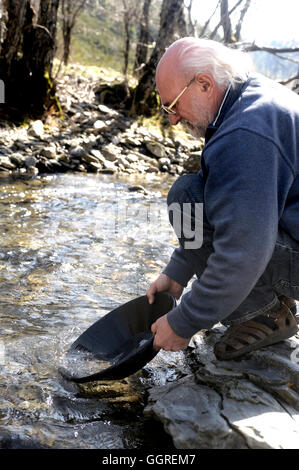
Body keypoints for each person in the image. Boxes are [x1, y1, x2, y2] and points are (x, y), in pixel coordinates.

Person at [146, 37, 299, 360]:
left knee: (232, 239)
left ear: (203, 84)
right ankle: (273, 303)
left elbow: (242, 251)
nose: (172, 119)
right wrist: (176, 275)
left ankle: (265, 315)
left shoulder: (246, 135)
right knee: (187, 195)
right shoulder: (247, 99)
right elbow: (216, 205)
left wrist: (184, 321)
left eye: (173, 106)